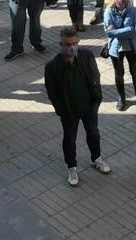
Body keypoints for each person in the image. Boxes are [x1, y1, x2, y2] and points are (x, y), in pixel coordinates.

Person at [44, 27, 110, 187]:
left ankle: (96, 159)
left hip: (88, 105)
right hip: (69, 110)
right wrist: (60, 110)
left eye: (74, 43)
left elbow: (96, 76)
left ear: (78, 42)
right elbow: (51, 91)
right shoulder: (53, 65)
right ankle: (72, 167)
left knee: (93, 133)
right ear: (61, 44)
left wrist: (97, 100)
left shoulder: (86, 55)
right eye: (67, 44)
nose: (71, 47)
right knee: (70, 139)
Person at [103, 0, 136, 110]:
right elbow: (108, 33)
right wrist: (128, 29)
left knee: (135, 73)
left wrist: (117, 30)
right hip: (116, 48)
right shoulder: (109, 11)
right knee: (119, 74)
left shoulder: (133, 10)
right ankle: (121, 98)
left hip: (132, 47)